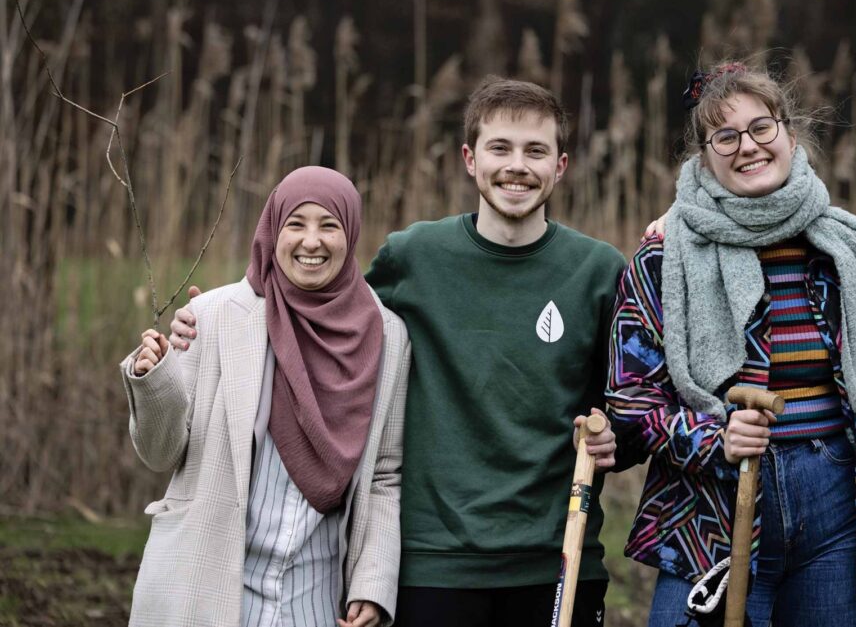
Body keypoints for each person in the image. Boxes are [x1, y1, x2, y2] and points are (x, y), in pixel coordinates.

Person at [171, 78, 625, 627]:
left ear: (561, 165)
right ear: (468, 158)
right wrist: (212, 324)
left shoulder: (600, 272)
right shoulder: (414, 257)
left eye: (536, 151)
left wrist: (614, 434)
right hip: (432, 560)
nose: (517, 166)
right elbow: (323, 322)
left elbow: (632, 404)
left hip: (557, 558)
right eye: (499, 148)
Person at [608, 62, 856, 627]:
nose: (746, 146)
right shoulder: (662, 259)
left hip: (839, 513)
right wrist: (712, 436)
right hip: (710, 512)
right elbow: (629, 403)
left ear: (789, 135)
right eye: (724, 135)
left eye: (761, 128)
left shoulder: (849, 252)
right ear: (703, 156)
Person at [122, 166, 411, 627]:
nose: (311, 242)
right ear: (273, 230)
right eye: (295, 224)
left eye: (328, 225)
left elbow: (384, 475)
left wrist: (373, 586)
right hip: (208, 589)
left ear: (351, 232)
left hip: (316, 601)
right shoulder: (212, 316)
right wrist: (152, 378)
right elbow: (160, 454)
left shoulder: (388, 335)